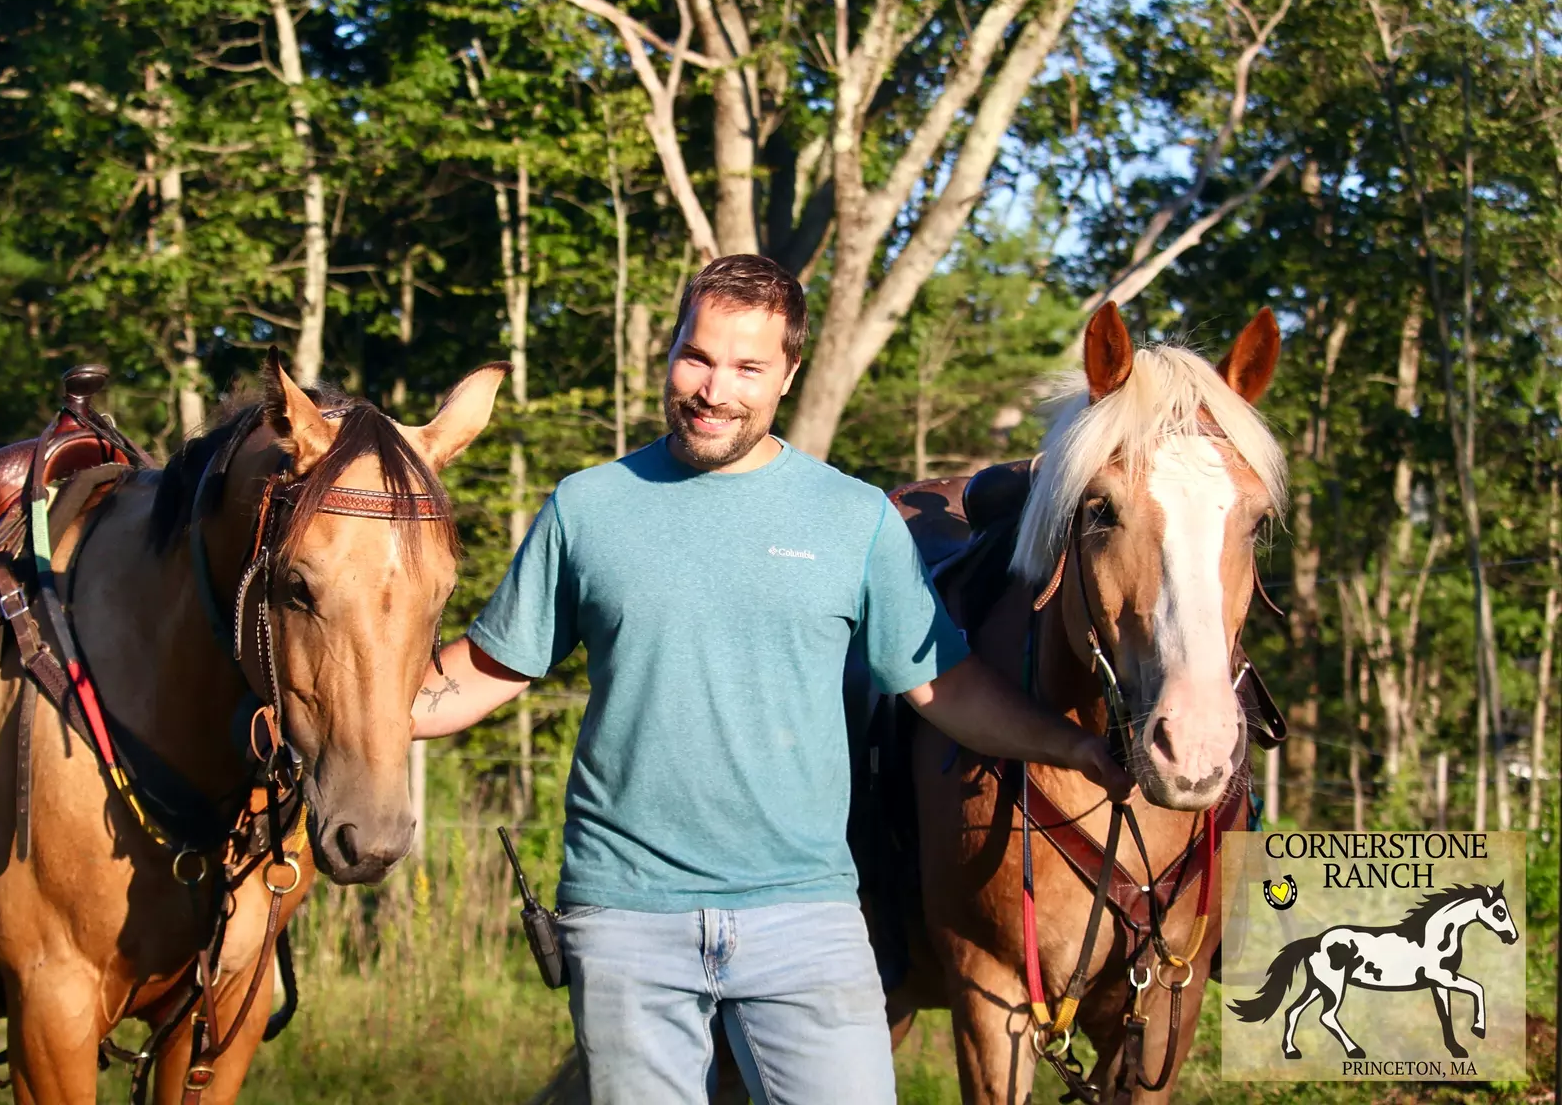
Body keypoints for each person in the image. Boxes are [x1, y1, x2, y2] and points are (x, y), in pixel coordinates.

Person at [413, 254, 1132, 1105]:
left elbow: (945, 686)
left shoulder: (852, 516)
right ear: (671, 352)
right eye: (698, 356)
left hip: (808, 917)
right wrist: (337, 710)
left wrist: (1076, 746)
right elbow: (487, 670)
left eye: (747, 366)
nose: (714, 388)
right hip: (628, 916)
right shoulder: (588, 507)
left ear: (787, 374)